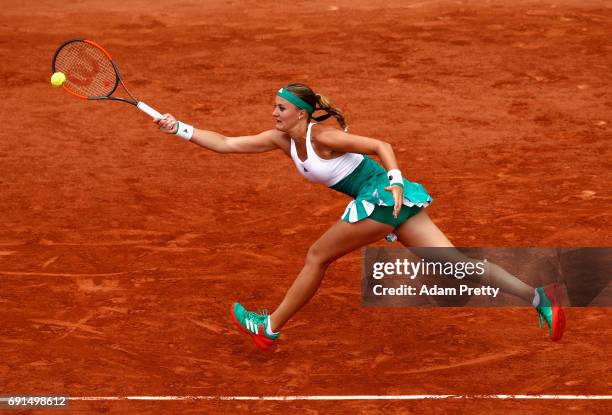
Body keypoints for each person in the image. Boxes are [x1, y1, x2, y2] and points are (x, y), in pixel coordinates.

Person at [155, 83, 565, 349]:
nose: (274, 113)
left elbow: (380, 144)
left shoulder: (325, 137)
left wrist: (397, 180)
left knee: (317, 256)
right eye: (274, 107)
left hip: (383, 197)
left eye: (280, 108)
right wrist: (179, 128)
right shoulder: (282, 141)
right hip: (388, 203)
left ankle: (270, 327)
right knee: (454, 262)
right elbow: (225, 143)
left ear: (301, 112)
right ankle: (538, 297)